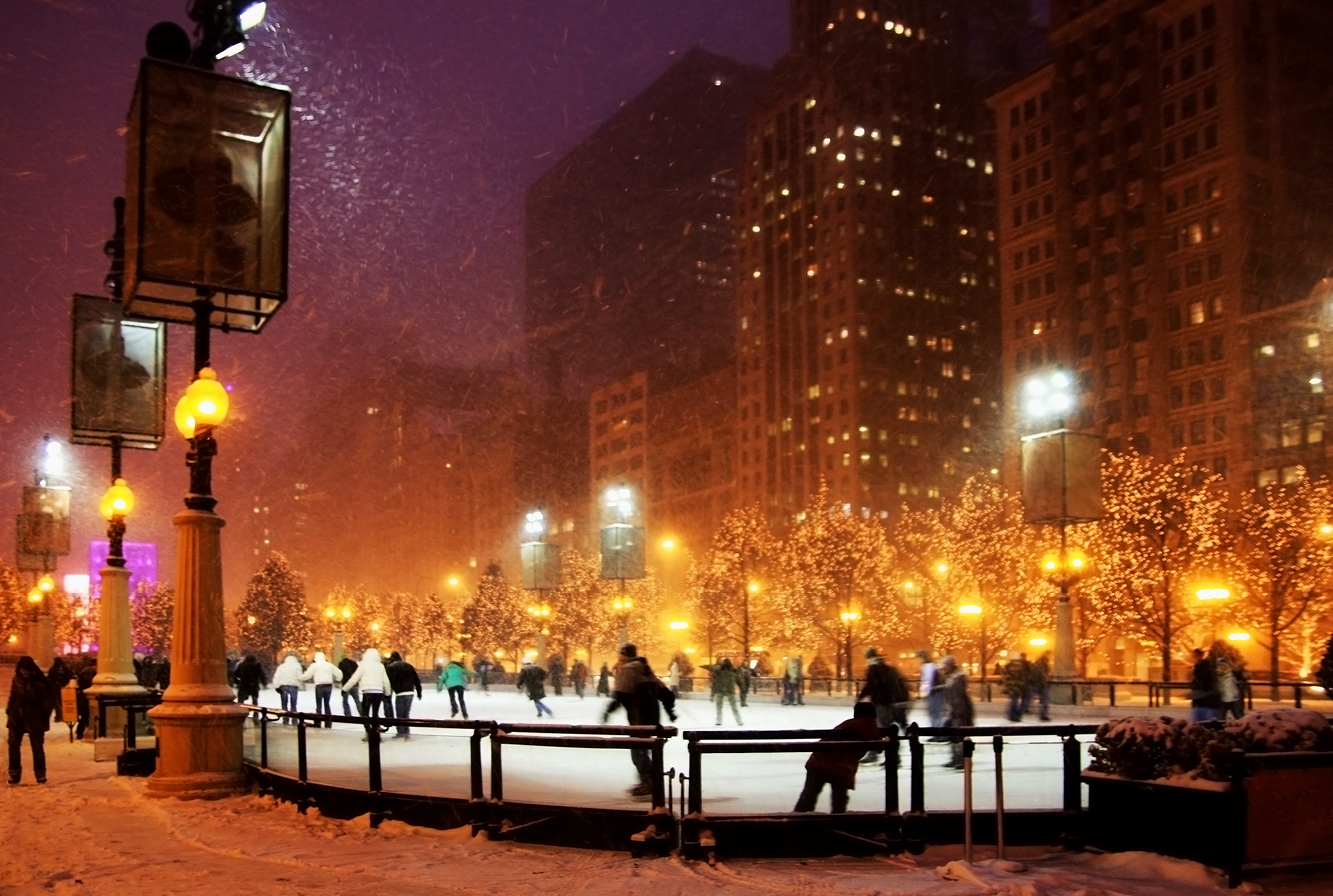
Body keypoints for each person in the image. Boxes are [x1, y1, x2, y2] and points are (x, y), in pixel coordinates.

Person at [601, 643, 677, 799]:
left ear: (624, 656)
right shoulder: (645, 669)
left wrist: (607, 711)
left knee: (638, 752)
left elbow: (621, 695)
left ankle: (650, 782)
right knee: (643, 749)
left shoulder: (629, 671)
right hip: (652, 716)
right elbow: (666, 694)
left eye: (621, 656)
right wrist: (670, 711)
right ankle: (647, 781)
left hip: (639, 717)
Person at [793, 702, 882, 813]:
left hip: (819, 760)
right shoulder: (866, 723)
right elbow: (877, 746)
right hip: (839, 766)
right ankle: (838, 820)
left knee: (809, 795)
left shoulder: (850, 723)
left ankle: (799, 819)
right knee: (839, 798)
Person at [7, 656, 54, 785]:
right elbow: (13, 697)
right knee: (13, 746)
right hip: (17, 717)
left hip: (35, 718)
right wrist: (9, 712)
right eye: (22, 670)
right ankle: (14, 773)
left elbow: (47, 703)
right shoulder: (17, 680)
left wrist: (43, 717)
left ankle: (40, 774)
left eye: (26, 670)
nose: (24, 673)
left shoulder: (41, 682)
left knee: (37, 748)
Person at [857, 647, 910, 732]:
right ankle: (906, 736)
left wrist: (861, 696)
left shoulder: (873, 668)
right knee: (898, 720)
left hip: (881, 700)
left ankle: (888, 741)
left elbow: (871, 685)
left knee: (883, 724)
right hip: (891, 699)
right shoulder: (884, 666)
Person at [342, 648, 392, 731]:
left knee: (365, 713)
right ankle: (375, 731)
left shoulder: (363, 665)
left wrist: (345, 689)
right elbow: (386, 681)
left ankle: (368, 731)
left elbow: (354, 679)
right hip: (378, 692)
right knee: (375, 714)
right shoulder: (380, 666)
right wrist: (388, 693)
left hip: (367, 692)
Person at [939, 655, 975, 769]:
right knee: (954, 736)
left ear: (950, 665)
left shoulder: (958, 677)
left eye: (945, 666)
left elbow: (958, 696)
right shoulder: (951, 676)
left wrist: (955, 711)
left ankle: (962, 760)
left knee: (960, 736)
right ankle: (955, 758)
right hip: (953, 710)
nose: (943, 669)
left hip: (960, 711)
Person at [299, 651, 343, 727]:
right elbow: (339, 673)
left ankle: (318, 722)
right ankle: (328, 723)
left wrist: (299, 678)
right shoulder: (329, 665)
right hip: (328, 685)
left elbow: (307, 675)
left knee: (319, 705)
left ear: (316, 658)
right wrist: (338, 679)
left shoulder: (315, 666)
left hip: (319, 685)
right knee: (327, 704)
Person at [386, 651, 422, 738]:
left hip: (400, 692)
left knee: (400, 714)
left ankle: (401, 732)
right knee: (406, 713)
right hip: (410, 691)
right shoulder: (408, 666)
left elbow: (389, 680)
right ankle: (406, 732)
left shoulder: (391, 667)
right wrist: (419, 691)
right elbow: (416, 679)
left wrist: (390, 691)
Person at [703, 658, 743, 726]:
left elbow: (711, 668)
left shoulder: (719, 670)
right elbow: (739, 682)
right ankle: (739, 721)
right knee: (734, 707)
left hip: (720, 690)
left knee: (719, 707)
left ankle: (719, 720)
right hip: (729, 690)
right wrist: (742, 688)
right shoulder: (733, 672)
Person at [1189, 647, 1221, 722]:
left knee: (1203, 721)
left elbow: (1205, 682)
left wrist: (1200, 689)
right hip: (1203, 700)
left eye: (1195, 656)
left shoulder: (1203, 667)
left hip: (1206, 700)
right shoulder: (1202, 667)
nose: (1194, 658)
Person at [917, 650, 946, 734]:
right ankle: (937, 732)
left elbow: (927, 681)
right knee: (937, 714)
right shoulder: (932, 666)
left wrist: (925, 693)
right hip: (936, 692)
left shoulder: (927, 667)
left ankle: (937, 733)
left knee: (935, 714)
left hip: (934, 693)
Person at [272, 653, 304, 724]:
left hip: (284, 686)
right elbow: (300, 676)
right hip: (294, 686)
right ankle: (294, 719)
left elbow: (276, 677)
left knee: (284, 704)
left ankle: (285, 719)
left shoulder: (281, 666)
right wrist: (301, 685)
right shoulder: (297, 666)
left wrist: (276, 686)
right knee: (293, 704)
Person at [233, 654, 267, 718]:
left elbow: (236, 674)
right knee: (255, 700)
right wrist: (264, 683)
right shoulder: (257, 665)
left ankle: (240, 714)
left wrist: (237, 682)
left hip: (244, 684)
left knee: (241, 700)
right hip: (254, 685)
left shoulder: (242, 665)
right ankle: (255, 714)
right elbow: (262, 674)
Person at [1001, 653, 1031, 722]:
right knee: (1024, 701)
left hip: (1011, 686)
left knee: (1014, 700)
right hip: (1019, 686)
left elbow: (1005, 676)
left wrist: (1006, 685)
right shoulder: (1022, 666)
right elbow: (1024, 677)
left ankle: (1011, 715)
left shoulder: (1008, 666)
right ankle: (1016, 715)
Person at [74, 658, 97, 740]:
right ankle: (80, 731)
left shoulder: (84, 672)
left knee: (85, 715)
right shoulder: (91, 673)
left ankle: (79, 731)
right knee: (86, 715)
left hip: (83, 696)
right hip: (87, 696)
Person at [1027, 651, 1052, 722]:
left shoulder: (1039, 662)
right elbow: (1042, 674)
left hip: (1036, 683)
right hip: (1040, 684)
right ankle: (1043, 715)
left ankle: (1022, 710)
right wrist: (1045, 681)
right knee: (1046, 699)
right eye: (1049, 655)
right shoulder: (1042, 663)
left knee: (1029, 698)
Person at [47, 657, 73, 722]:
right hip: (64, 687)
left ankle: (59, 716)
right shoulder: (64, 668)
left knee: (57, 702)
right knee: (64, 702)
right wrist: (65, 682)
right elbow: (69, 675)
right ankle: (65, 715)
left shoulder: (53, 669)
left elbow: (50, 678)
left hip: (55, 687)